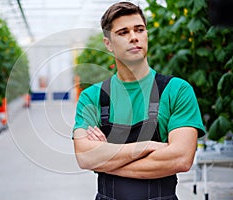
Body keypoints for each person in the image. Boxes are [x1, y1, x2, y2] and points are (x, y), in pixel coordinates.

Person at [72, 2, 206, 200]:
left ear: (146, 35)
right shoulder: (92, 97)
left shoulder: (176, 90)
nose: (134, 37)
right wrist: (148, 146)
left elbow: (181, 159)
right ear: (108, 44)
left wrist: (105, 159)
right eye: (123, 32)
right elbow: (84, 157)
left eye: (139, 30)